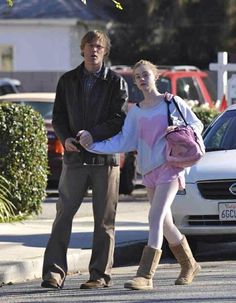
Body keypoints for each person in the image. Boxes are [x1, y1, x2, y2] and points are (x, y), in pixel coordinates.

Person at [80, 60, 203, 290]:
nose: (141, 80)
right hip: (148, 171)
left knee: (154, 217)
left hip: (171, 167)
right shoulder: (135, 111)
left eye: (145, 75)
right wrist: (91, 144)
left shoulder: (171, 102)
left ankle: (145, 275)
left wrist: (178, 132)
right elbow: (124, 140)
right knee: (165, 223)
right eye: (137, 77)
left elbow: (196, 124)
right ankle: (190, 264)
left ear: (156, 76)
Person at [41, 30, 128, 290]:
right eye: (89, 46)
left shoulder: (115, 82)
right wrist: (66, 137)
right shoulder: (67, 80)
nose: (93, 50)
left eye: (98, 47)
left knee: (104, 221)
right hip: (75, 158)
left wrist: (94, 134)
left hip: (105, 160)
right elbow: (58, 116)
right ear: (82, 49)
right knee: (63, 216)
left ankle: (99, 275)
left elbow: (119, 118)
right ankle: (54, 273)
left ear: (105, 51)